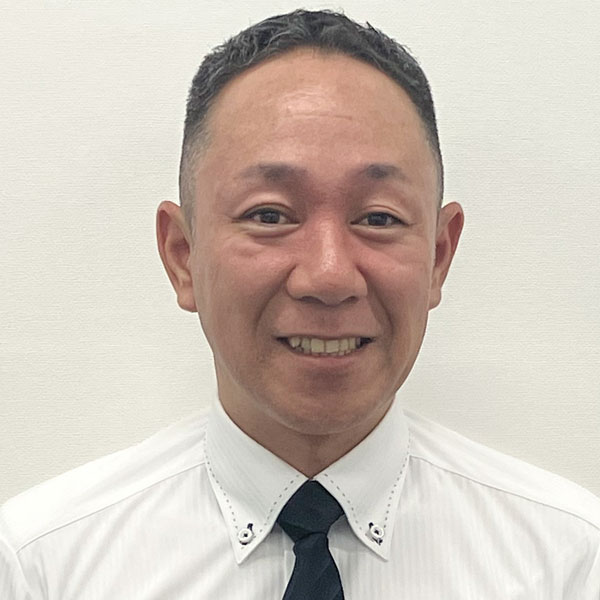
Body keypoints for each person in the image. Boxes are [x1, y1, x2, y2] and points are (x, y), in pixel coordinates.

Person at [1, 9, 598, 599]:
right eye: (269, 215)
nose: (329, 275)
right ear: (183, 255)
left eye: (378, 218)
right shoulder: (41, 568)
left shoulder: (568, 563)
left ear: (438, 256)